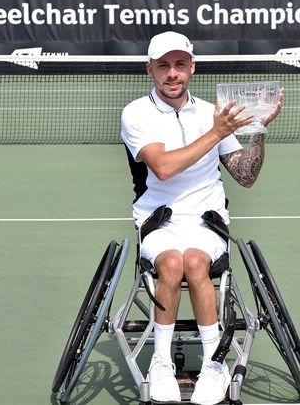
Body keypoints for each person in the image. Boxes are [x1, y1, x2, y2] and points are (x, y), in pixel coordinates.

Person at [120, 31, 282, 405]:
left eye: (179, 64)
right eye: (163, 66)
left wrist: (257, 128)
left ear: (192, 67)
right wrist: (217, 132)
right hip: (158, 219)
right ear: (150, 70)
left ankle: (214, 363)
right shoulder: (136, 113)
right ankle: (160, 362)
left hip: (207, 218)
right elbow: (162, 167)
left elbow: (245, 175)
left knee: (195, 261)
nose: (172, 73)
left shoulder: (213, 113)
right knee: (172, 262)